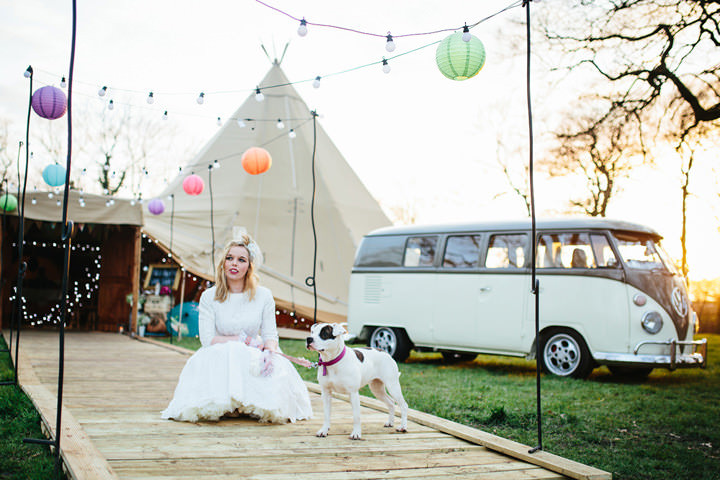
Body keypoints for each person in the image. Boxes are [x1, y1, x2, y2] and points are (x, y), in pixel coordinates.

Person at [161, 235, 313, 423]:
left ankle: (250, 404)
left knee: (262, 363)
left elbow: (270, 334)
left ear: (249, 266)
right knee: (233, 351)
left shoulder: (263, 296)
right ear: (223, 263)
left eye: (241, 260)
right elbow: (207, 340)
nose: (234, 263)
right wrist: (241, 340)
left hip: (255, 352)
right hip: (220, 351)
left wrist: (270, 351)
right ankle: (227, 402)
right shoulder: (209, 296)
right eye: (229, 258)